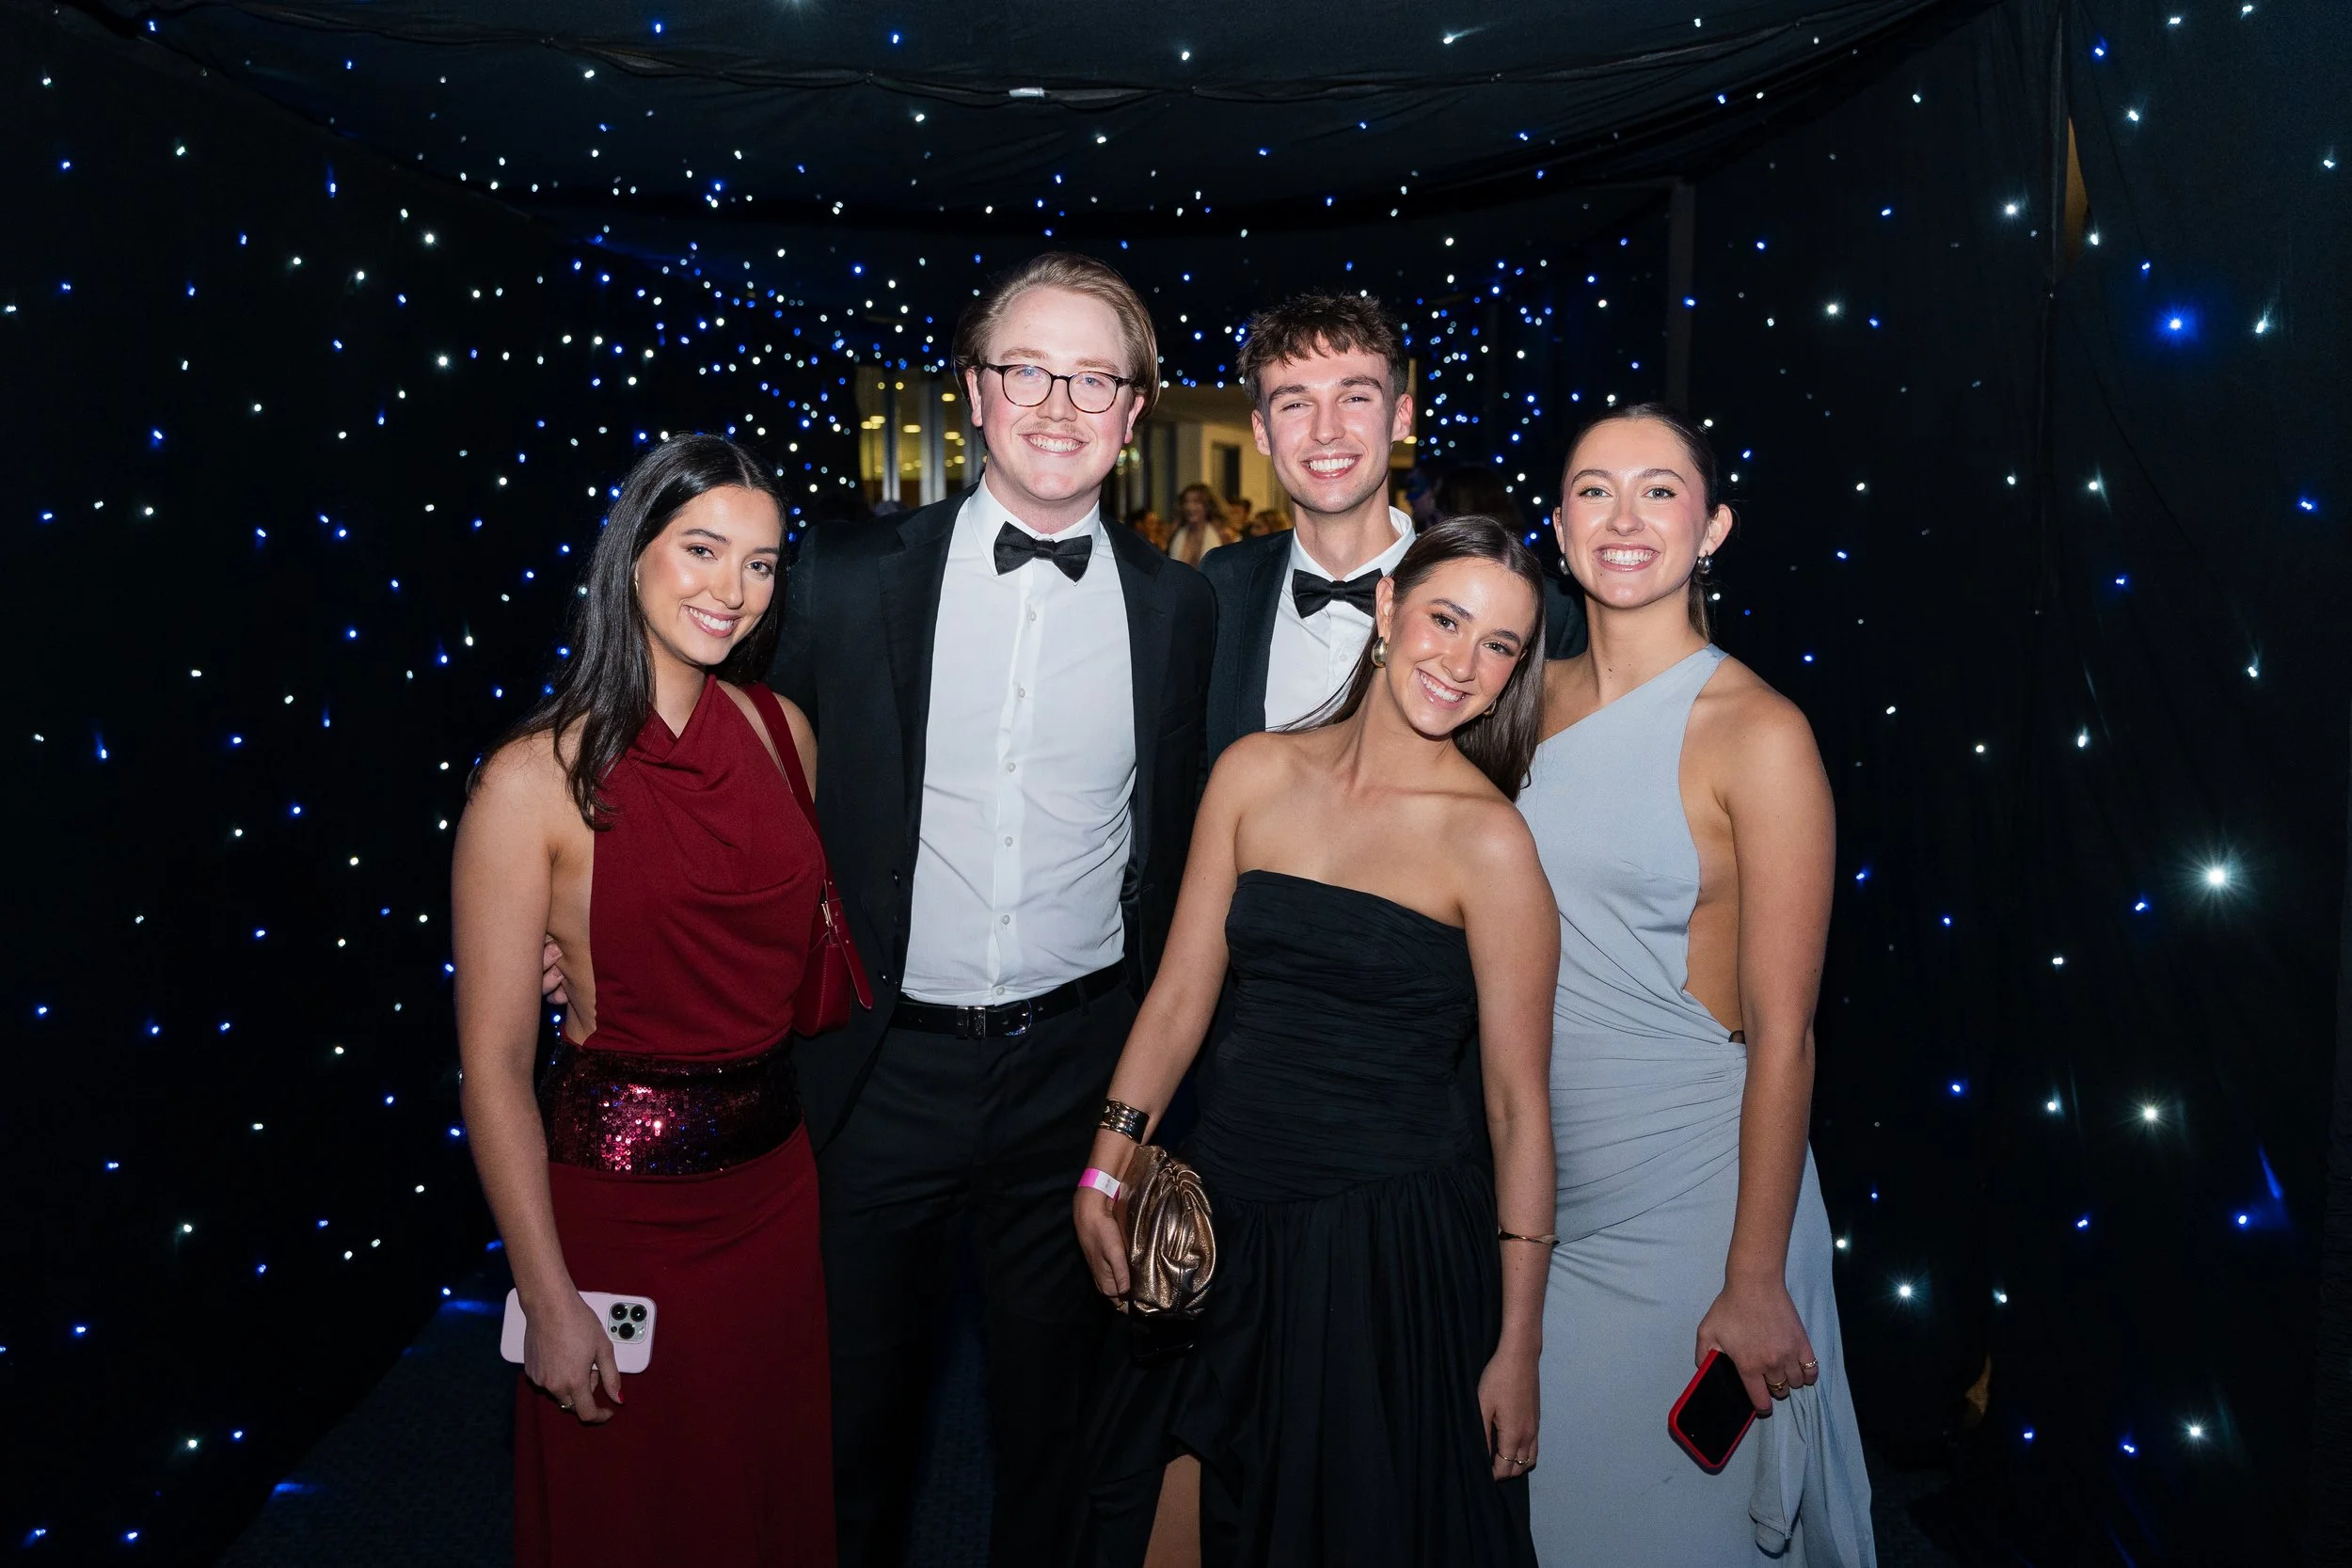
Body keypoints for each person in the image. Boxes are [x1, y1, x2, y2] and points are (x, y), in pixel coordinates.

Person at [769, 252, 1216, 1568]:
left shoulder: (1179, 608)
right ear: (974, 392)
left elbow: (1184, 840)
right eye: (1029, 368)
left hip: (1073, 1079)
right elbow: (736, 769)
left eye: (1098, 376)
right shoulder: (840, 576)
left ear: (1137, 412)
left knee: (1056, 1438)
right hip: (874, 1065)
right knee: (849, 1426)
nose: (1061, 402)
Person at [1074, 515, 1560, 1568]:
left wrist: (1518, 1340)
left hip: (1382, 1253)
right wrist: (1104, 1165)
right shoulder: (1254, 771)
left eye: (1499, 646)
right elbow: (1176, 996)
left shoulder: (1491, 841)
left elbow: (1519, 1108)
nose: (1461, 662)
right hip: (1223, 1219)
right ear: (1387, 609)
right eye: (1445, 618)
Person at [453, 436, 834, 1567]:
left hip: (776, 1191)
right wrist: (547, 1291)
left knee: (764, 1495)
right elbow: (491, 1065)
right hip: (621, 1221)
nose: (732, 590)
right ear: (633, 556)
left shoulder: (781, 732)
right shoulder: (532, 778)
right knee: (636, 1516)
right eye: (704, 549)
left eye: (762, 565)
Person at [1520, 405, 1875, 1565]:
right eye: (1593, 490)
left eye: (1660, 490)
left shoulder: (1758, 731)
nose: (1624, 518)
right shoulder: (1513, 701)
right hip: (1536, 1191)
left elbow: (1787, 1035)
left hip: (1694, 1201)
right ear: (1560, 528)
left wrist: (1754, 1274)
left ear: (1712, 525)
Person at [1200, 293, 1422, 768]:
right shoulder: (1220, 585)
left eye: (1355, 397)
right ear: (1261, 431)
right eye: (1296, 404)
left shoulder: (1476, 591)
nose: (1326, 430)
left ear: (1401, 416)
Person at [1168, 483, 1229, 566]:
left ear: (1207, 506)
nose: (1190, 507)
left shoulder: (1222, 534)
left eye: (1196, 502)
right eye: (1186, 502)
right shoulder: (1178, 534)